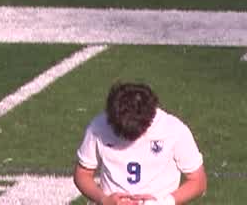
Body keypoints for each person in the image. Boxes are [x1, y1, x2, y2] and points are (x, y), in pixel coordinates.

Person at [74, 82, 207, 205]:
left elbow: (198, 181)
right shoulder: (99, 126)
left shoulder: (173, 129)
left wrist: (163, 203)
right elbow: (82, 174)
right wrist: (104, 200)